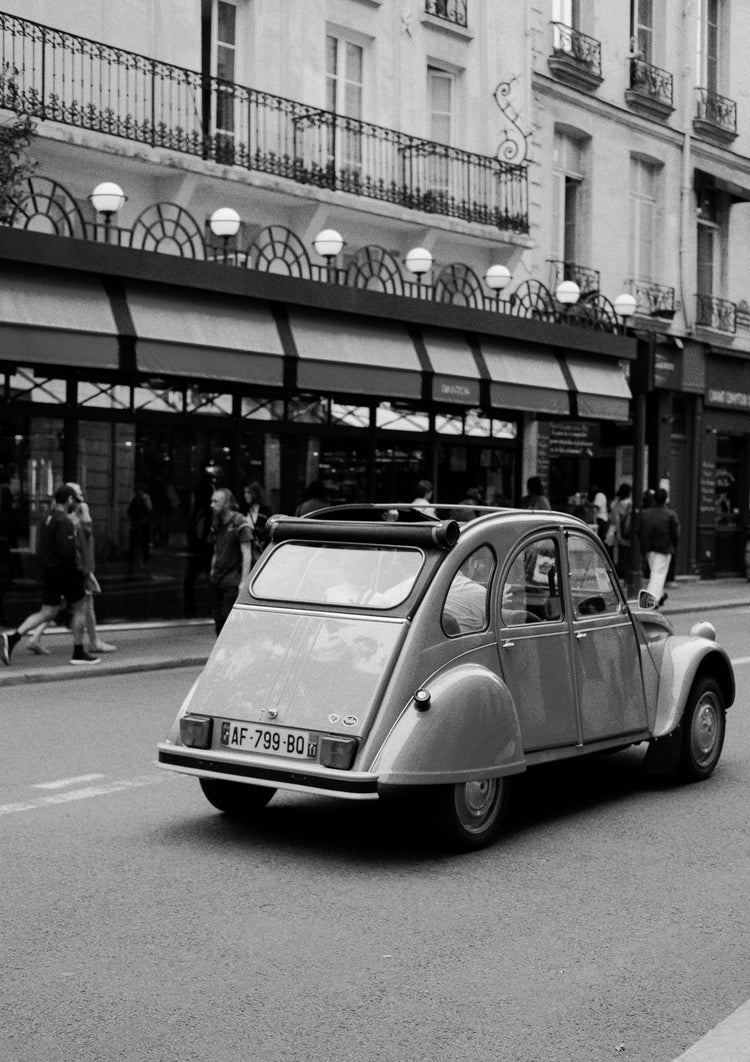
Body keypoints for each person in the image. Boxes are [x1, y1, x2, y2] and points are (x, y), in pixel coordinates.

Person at [1, 485, 100, 667]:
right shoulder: (63, 521)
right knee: (81, 607)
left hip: (49, 572)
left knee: (48, 611)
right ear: (69, 500)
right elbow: (67, 552)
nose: (75, 505)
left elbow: (40, 548)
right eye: (74, 501)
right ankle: (78, 652)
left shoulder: (46, 518)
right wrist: (80, 573)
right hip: (66, 573)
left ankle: (12, 637)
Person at [26, 482, 116, 656]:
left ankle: (35, 637)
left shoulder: (61, 515)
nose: (81, 494)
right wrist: (87, 572)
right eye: (78, 492)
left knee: (57, 606)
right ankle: (91, 643)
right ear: (70, 497)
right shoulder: (73, 514)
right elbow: (84, 534)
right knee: (82, 605)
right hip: (74, 568)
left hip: (69, 568)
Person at [208, 487, 253, 635]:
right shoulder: (217, 523)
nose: (212, 505)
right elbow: (216, 550)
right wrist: (212, 573)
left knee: (227, 619)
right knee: (218, 620)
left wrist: (243, 581)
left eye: (216, 501)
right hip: (217, 579)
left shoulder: (239, 521)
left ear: (226, 503)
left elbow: (247, 553)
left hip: (231, 580)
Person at [636, 487, 679, 607]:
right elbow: (675, 533)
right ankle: (649, 601)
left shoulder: (645, 513)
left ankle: (659, 596)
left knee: (656, 572)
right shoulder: (670, 514)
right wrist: (672, 545)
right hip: (664, 548)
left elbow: (638, 530)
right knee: (658, 574)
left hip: (649, 548)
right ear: (665, 500)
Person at [605, 482, 633, 580]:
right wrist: (620, 535)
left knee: (616, 553)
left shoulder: (614, 503)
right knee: (625, 554)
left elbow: (613, 519)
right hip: (624, 531)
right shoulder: (629, 503)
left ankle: (617, 571)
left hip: (613, 531)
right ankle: (623, 573)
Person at [241, 481, 272, 567]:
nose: (245, 495)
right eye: (245, 492)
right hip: (247, 550)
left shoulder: (265, 510)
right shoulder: (244, 510)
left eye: (249, 492)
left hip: (261, 550)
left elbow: (269, 531)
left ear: (255, 493)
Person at [127, 483, 153, 574]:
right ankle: (143, 563)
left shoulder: (132, 497)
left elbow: (129, 511)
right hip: (143, 524)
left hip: (134, 525)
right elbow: (149, 508)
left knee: (133, 546)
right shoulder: (145, 497)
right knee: (144, 544)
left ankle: (131, 565)